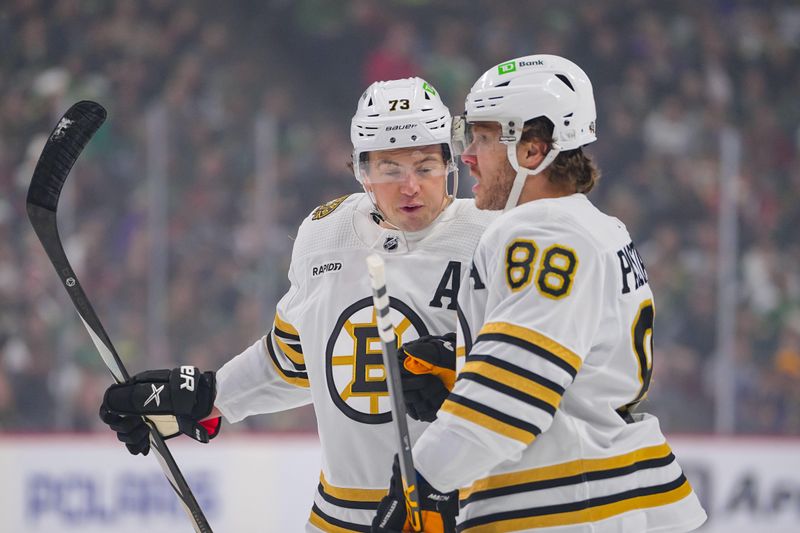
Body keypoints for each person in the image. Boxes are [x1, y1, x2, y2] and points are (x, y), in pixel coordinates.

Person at [98, 76, 497, 532]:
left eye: (425, 166)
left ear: (450, 163)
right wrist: (211, 397)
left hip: (458, 515)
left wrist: (464, 368)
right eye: (390, 169)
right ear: (361, 170)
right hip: (338, 519)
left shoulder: (491, 236)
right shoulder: (325, 235)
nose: (410, 186)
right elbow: (293, 360)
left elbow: (538, 374)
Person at [372, 55, 708, 532]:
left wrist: (418, 481)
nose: (466, 154)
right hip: (610, 494)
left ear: (532, 151)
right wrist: (463, 362)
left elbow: (511, 397)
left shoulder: (541, 235)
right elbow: (575, 363)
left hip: (566, 506)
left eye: (484, 138)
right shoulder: (593, 225)